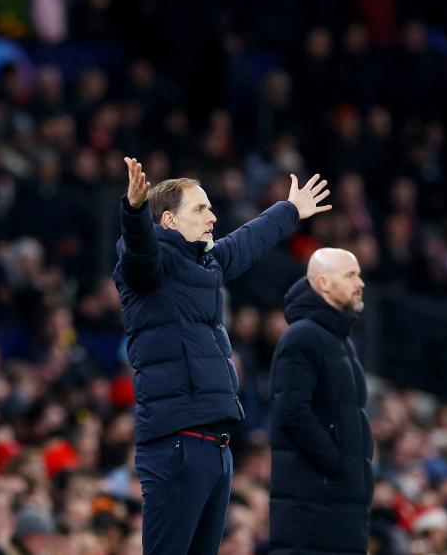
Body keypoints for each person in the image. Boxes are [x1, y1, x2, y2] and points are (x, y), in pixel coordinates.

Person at [114, 158, 332, 555]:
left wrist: (290, 210)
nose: (212, 217)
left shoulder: (207, 263)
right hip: (177, 443)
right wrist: (134, 210)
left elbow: (248, 241)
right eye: (200, 209)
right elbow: (139, 251)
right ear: (169, 220)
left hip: (216, 446)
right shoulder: (148, 266)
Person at [268, 247, 373, 554]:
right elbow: (291, 412)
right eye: (350, 275)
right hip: (313, 505)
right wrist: (335, 462)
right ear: (324, 283)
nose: (360, 283)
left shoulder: (341, 341)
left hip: (337, 506)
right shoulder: (302, 337)